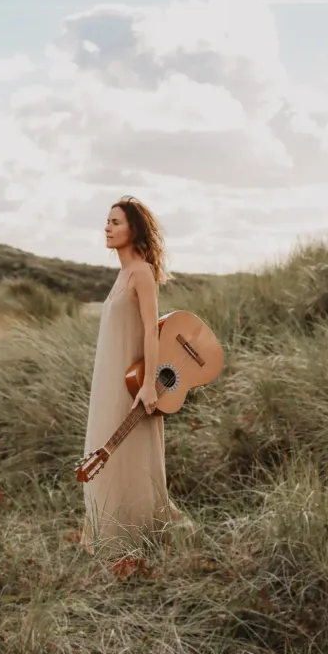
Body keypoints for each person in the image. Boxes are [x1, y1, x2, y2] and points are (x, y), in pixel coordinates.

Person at [80, 195, 192, 555]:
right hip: (110, 377)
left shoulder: (142, 272)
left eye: (116, 222)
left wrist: (147, 387)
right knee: (107, 447)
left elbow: (150, 331)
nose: (108, 228)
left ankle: (137, 535)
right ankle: (107, 533)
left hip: (132, 383)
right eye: (107, 222)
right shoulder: (122, 273)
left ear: (134, 229)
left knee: (132, 453)